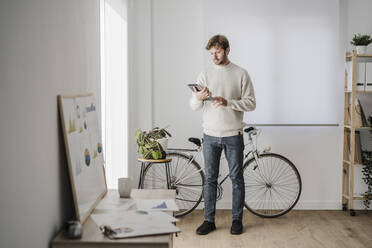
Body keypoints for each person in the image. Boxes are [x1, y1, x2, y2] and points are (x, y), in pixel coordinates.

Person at [189, 34, 256, 235]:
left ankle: (237, 220)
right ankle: (209, 220)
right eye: (211, 53)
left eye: (217, 52)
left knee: (237, 178)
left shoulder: (241, 73)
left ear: (227, 50)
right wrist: (198, 98)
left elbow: (251, 103)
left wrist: (228, 102)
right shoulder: (205, 74)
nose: (214, 56)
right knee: (210, 179)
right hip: (209, 135)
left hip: (233, 135)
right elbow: (193, 106)